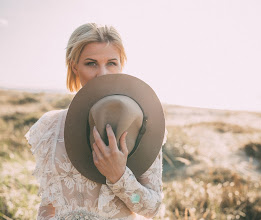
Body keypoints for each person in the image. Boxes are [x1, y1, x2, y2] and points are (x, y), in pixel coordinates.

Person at [25, 23, 167, 220]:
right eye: (91, 63)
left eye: (111, 63)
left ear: (121, 65)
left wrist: (119, 176)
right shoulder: (50, 127)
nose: (103, 73)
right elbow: (48, 206)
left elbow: (152, 208)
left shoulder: (140, 124)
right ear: (74, 66)